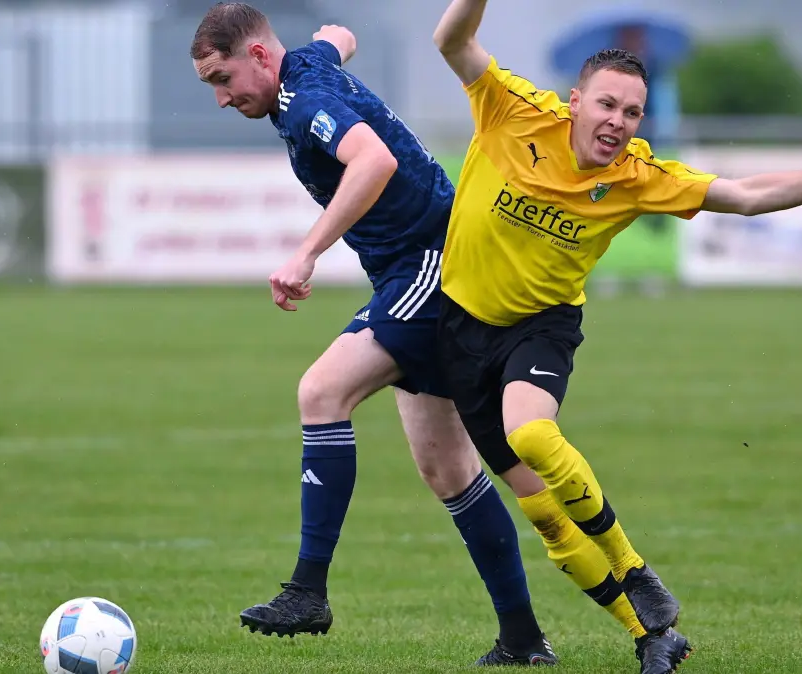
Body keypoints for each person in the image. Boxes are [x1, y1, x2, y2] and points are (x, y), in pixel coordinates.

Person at [431, 1, 802, 673]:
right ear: (575, 101)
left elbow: (747, 195)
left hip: (540, 326)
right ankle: (651, 635)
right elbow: (451, 37)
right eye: (607, 105)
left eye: (632, 113)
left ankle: (633, 567)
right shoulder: (512, 109)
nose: (617, 122)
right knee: (544, 516)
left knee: (533, 434)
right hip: (460, 328)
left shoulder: (636, 175)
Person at [189, 3, 651, 666]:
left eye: (221, 76)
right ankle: (523, 639)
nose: (220, 96)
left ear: (260, 56)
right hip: (421, 264)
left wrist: (306, 253)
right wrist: (331, 47)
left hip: (431, 263)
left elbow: (371, 162)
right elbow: (334, 38)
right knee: (449, 469)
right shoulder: (307, 66)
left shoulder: (301, 98)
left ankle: (307, 590)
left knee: (321, 392)